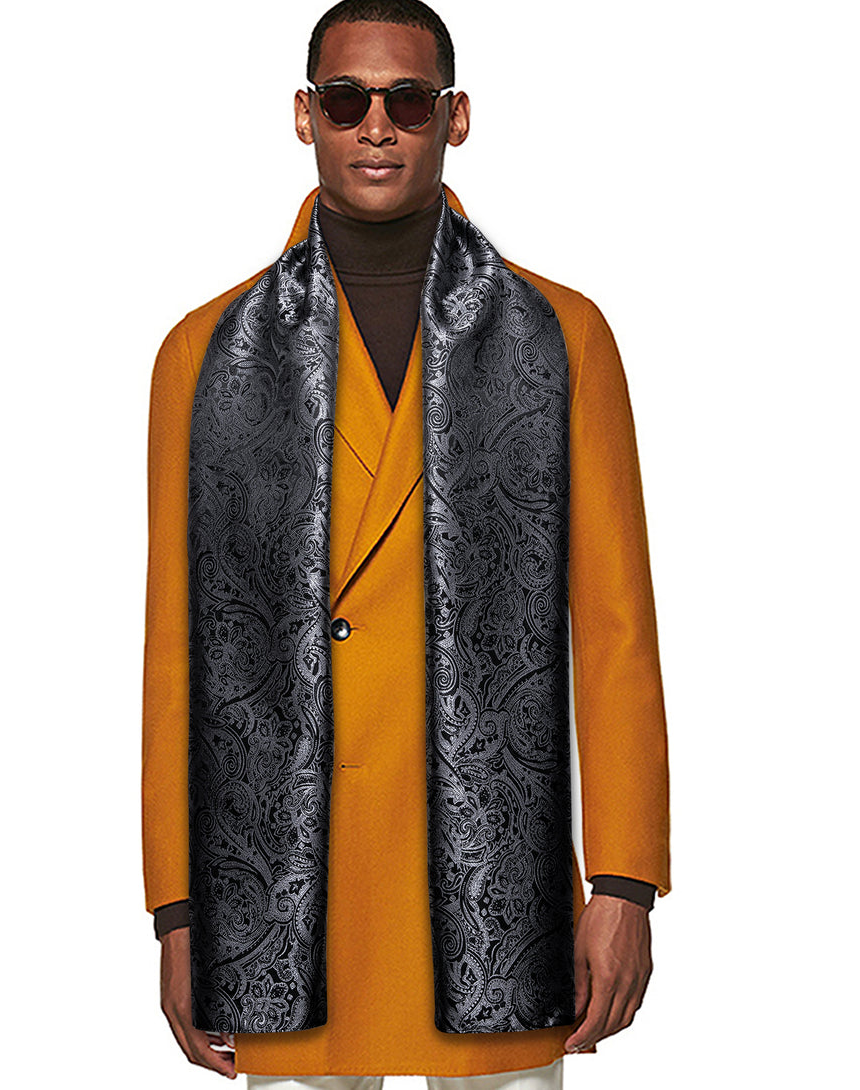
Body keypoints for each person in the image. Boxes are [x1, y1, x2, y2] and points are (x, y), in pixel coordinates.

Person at [141, 1, 671, 1084]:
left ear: (454, 118)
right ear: (305, 116)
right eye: (346, 100)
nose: (375, 126)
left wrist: (624, 881)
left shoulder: (562, 334)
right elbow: (175, 650)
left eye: (408, 101)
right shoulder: (203, 352)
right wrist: (177, 907)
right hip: (277, 888)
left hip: (494, 878)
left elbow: (617, 628)